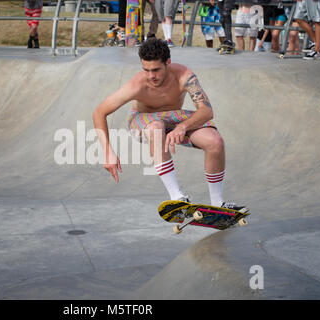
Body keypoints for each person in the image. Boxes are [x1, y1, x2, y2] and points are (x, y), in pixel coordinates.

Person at [92, 38, 248, 211]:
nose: (151, 76)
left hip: (173, 118)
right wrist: (108, 152)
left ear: (168, 62)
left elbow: (206, 111)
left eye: (156, 70)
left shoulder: (184, 76)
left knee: (215, 142)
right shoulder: (137, 85)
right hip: (142, 120)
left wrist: (183, 127)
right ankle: (177, 197)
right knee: (157, 127)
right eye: (146, 70)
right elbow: (99, 112)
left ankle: (218, 203)